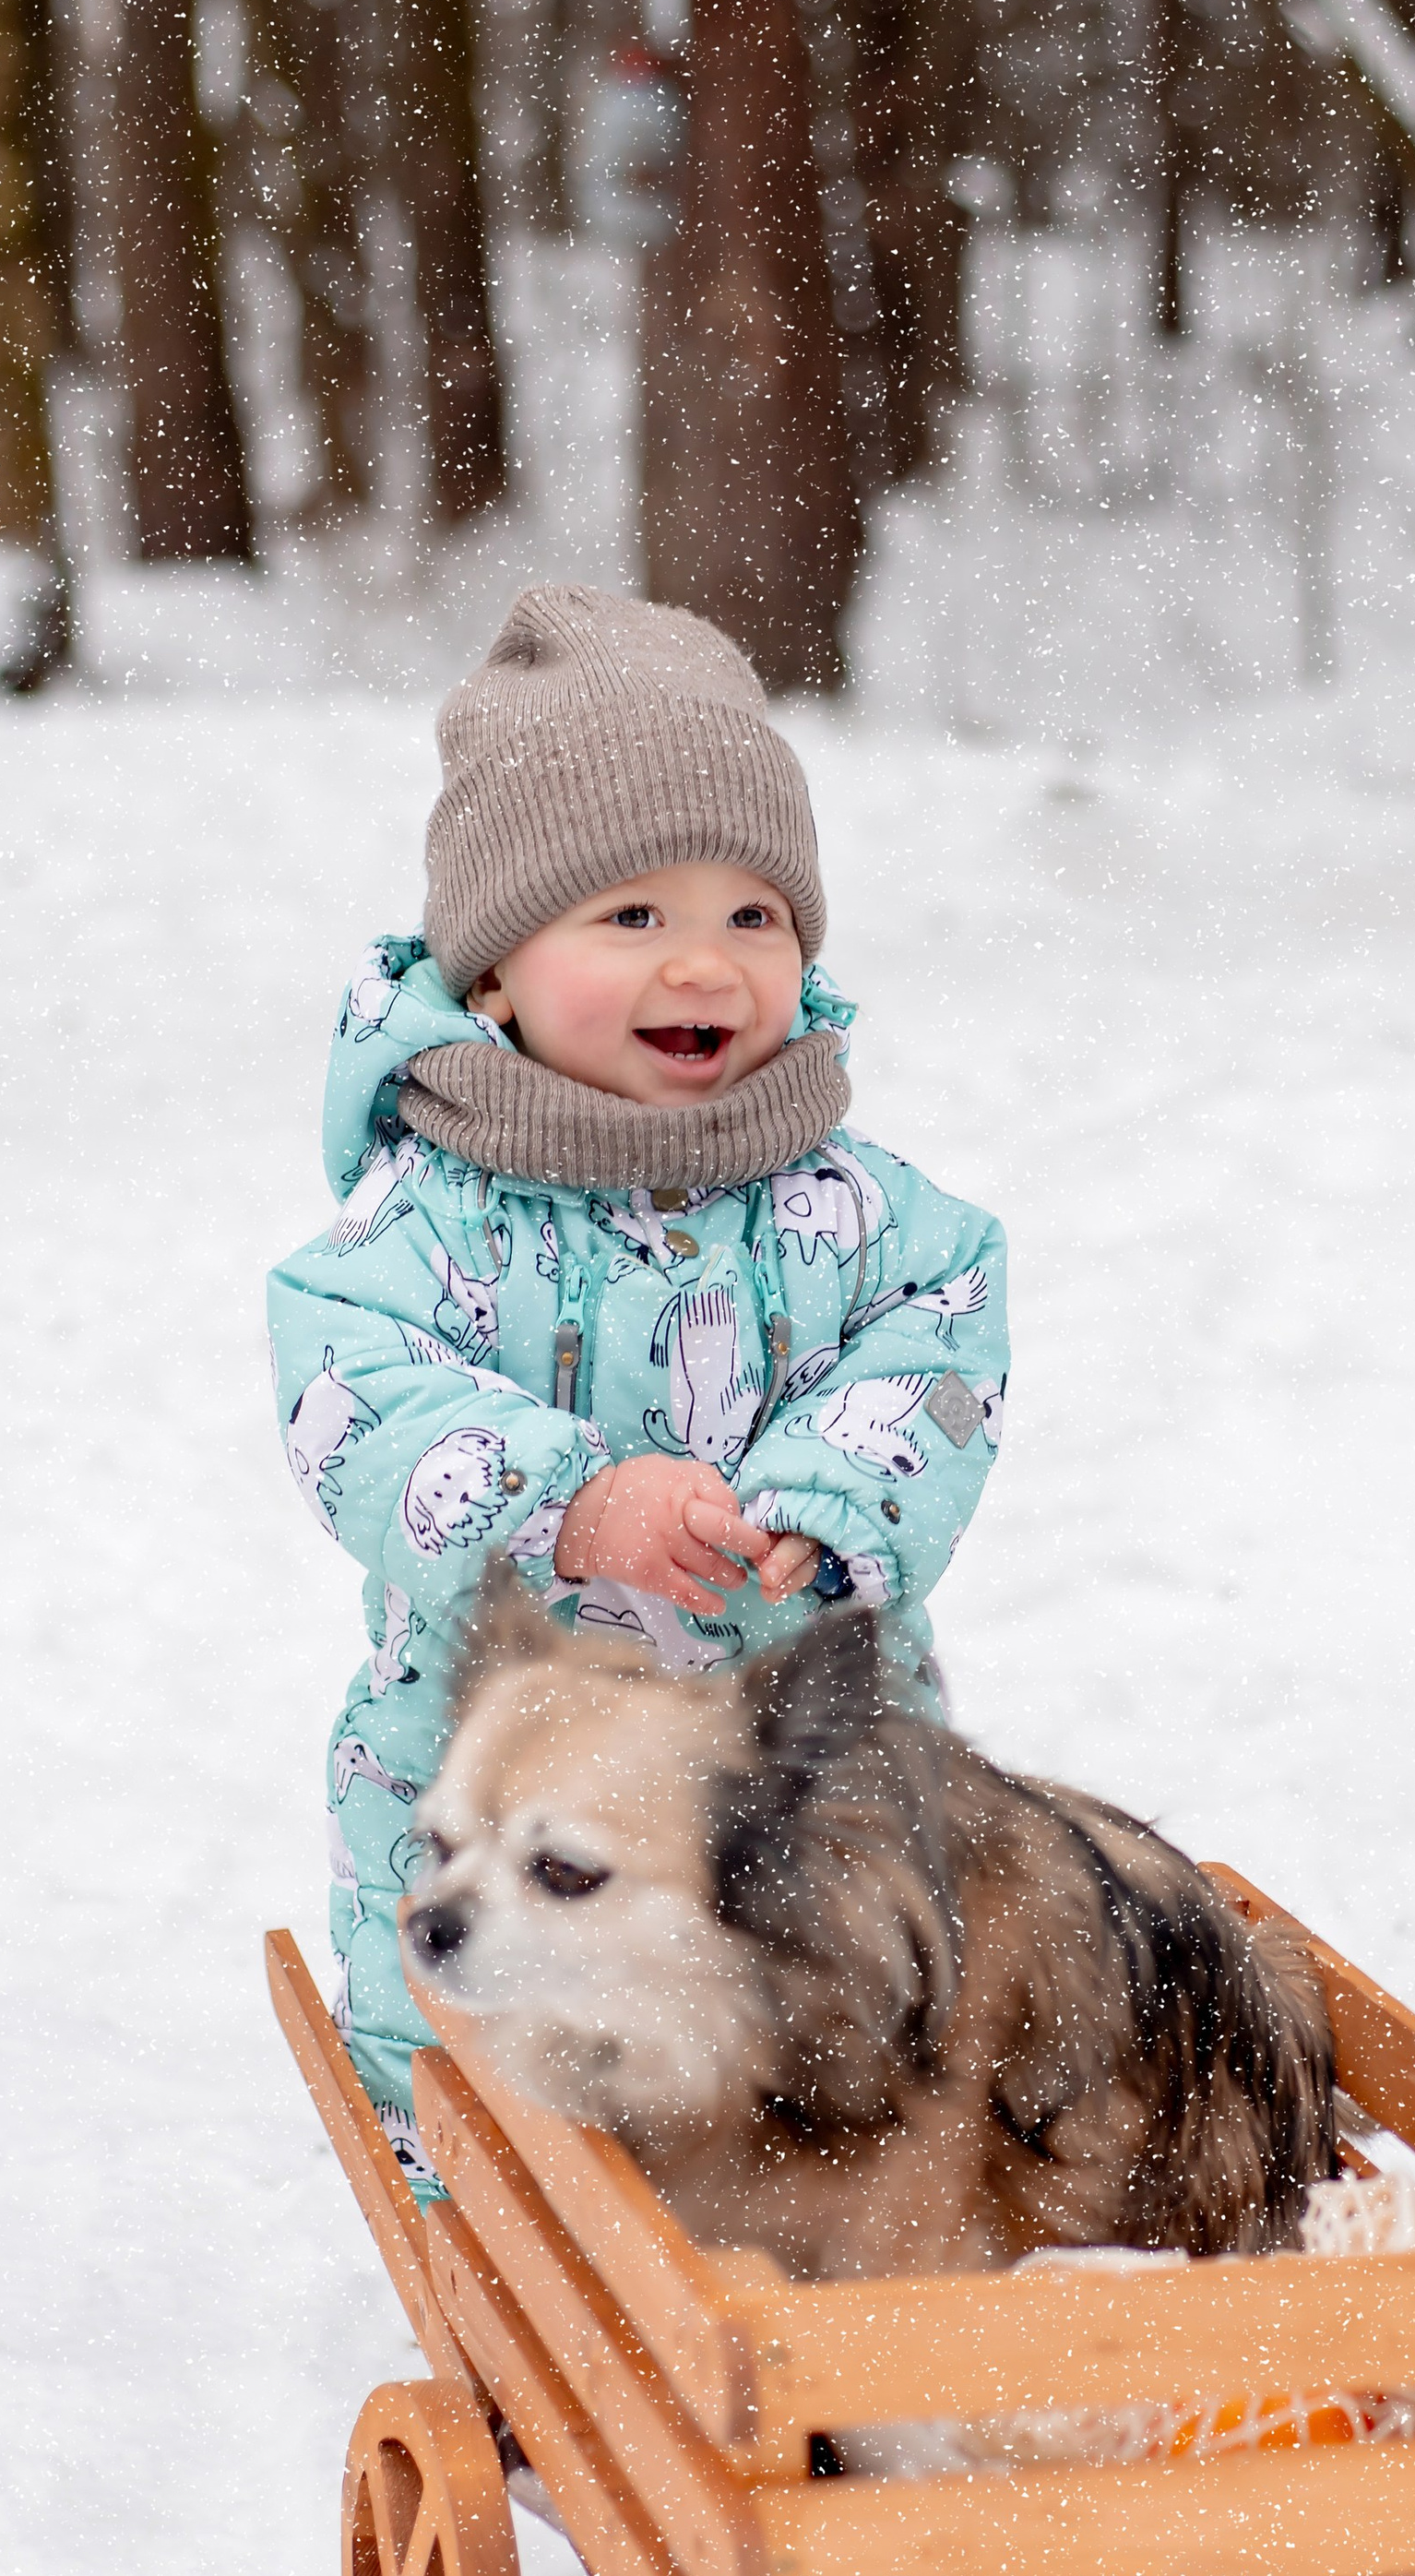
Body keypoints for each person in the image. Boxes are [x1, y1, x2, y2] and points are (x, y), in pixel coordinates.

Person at [268, 586, 1008, 2188]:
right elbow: (362, 1388)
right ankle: (500, 2221)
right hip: (497, 1770)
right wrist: (569, 1503)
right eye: (631, 918)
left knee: (837, 2015)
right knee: (493, 2025)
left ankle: (817, 2258)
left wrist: (831, 1495)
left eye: (755, 917)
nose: (707, 962)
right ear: (494, 982)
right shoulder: (425, 1224)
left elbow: (937, 1331)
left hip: (801, 1762)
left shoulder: (854, 1205)